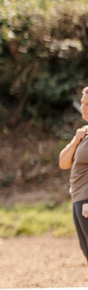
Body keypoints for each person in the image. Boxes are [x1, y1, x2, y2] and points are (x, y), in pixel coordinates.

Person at [59, 86, 88, 264]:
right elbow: (64, 162)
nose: (83, 107)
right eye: (82, 103)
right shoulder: (84, 134)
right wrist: (76, 139)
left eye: (87, 104)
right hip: (78, 198)